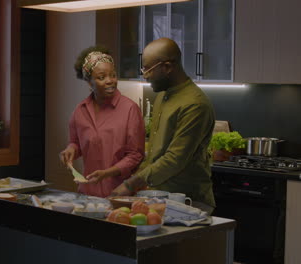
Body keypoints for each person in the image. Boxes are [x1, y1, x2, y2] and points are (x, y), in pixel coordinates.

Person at [111, 38, 216, 213]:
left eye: (148, 69)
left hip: (188, 203)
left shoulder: (195, 104)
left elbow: (174, 159)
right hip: (159, 198)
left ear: (167, 67)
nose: (145, 76)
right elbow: (155, 154)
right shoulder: (162, 96)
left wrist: (131, 184)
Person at [59, 46, 145, 198]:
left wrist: (107, 173)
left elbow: (135, 155)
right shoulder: (80, 111)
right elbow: (76, 143)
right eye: (101, 77)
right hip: (87, 194)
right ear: (89, 82)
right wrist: (71, 150)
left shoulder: (130, 109)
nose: (110, 81)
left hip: (120, 195)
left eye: (113, 75)